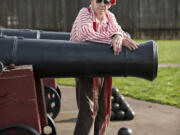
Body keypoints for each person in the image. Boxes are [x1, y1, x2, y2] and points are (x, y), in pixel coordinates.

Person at [70, 0, 138, 135]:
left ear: (110, 4)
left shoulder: (110, 16)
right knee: (88, 111)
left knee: (103, 109)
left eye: (106, 1)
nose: (102, 4)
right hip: (83, 66)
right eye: (99, 0)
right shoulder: (85, 13)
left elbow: (119, 31)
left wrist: (118, 36)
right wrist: (111, 39)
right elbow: (86, 34)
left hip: (100, 66)